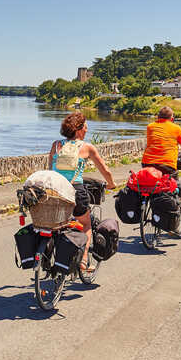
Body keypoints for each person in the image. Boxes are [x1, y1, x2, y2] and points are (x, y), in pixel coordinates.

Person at [48, 112, 116, 270]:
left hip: (54, 190)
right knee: (86, 223)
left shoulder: (56, 144)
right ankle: (83, 260)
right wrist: (111, 184)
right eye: (85, 127)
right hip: (75, 191)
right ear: (78, 129)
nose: (87, 130)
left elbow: (50, 168)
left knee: (58, 224)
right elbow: (105, 171)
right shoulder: (87, 147)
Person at [141, 106, 181, 200]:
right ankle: (175, 205)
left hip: (147, 163)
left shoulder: (150, 127)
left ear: (158, 117)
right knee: (174, 186)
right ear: (172, 119)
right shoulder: (176, 128)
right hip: (166, 165)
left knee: (150, 185)